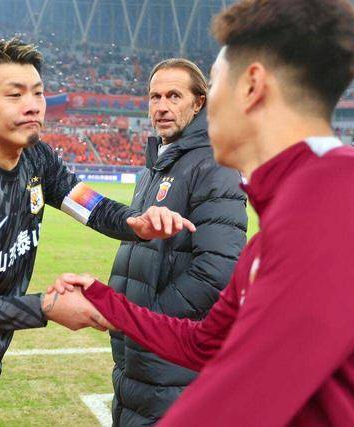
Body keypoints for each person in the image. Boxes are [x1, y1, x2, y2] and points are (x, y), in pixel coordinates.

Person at [47, 0, 354, 425]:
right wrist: (106, 301)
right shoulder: (284, 217)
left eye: (215, 82)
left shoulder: (353, 196)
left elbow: (249, 393)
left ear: (251, 86)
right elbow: (201, 344)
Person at [0, 38, 194, 426]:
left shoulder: (36, 157)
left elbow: (89, 204)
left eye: (38, 92)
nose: (33, 105)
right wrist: (45, 307)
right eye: (15, 95)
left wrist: (135, 223)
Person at [103, 58, 247, 425]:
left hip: (170, 356)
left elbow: (219, 269)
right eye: (155, 97)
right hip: (138, 355)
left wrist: (151, 321)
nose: (162, 106)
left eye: (174, 96)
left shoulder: (215, 164)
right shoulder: (156, 166)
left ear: (199, 103)